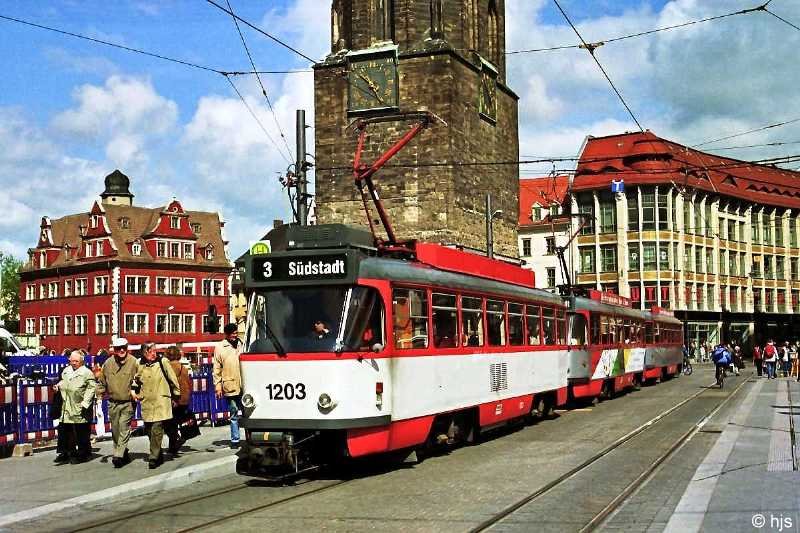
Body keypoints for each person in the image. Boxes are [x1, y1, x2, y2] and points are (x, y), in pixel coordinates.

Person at [132, 342, 180, 469]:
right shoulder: (139, 363)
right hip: (146, 401)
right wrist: (134, 391)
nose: (153, 354)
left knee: (156, 428)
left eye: (154, 351)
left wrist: (176, 395)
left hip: (160, 400)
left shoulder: (162, 362)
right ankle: (158, 454)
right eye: (150, 352)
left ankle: (153, 457)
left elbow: (172, 378)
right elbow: (136, 380)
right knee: (149, 429)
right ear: (144, 353)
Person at [96, 337, 138, 468]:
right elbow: (102, 381)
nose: (121, 350)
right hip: (113, 402)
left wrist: (135, 390)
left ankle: (118, 455)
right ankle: (123, 453)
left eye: (124, 348)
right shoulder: (108, 363)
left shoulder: (134, 362)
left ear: (127, 348)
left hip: (128, 402)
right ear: (114, 350)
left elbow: (139, 379)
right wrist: (99, 394)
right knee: (115, 430)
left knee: (124, 428)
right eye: (118, 348)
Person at [54, 351, 97, 464]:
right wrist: (58, 386)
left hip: (79, 405)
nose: (73, 363)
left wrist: (85, 402)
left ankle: (83, 453)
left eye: (76, 361)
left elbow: (91, 388)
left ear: (81, 361)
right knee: (65, 429)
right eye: (72, 361)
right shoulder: (66, 371)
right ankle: (66, 452)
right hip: (67, 405)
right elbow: (63, 382)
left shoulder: (87, 373)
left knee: (81, 430)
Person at [214, 323, 243, 448]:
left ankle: (250, 436)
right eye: (232, 334)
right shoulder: (220, 347)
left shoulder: (242, 344)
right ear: (226, 334)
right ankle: (235, 439)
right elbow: (216, 368)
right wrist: (218, 386)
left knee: (249, 413)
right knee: (234, 413)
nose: (235, 336)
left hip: (245, 384)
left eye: (236, 333)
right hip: (230, 384)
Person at [165, 346, 191, 455]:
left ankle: (173, 445)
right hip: (184, 399)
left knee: (170, 424)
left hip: (173, 399)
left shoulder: (168, 367)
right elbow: (189, 384)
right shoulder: (183, 368)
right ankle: (176, 442)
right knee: (178, 422)